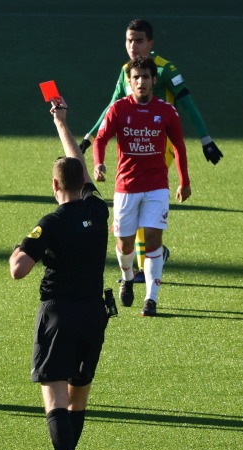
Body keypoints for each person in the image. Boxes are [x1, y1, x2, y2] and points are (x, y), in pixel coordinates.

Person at [9, 95, 110, 450]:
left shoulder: (49, 223)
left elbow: (18, 269)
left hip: (57, 317)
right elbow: (77, 166)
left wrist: (20, 249)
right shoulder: (98, 210)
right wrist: (63, 125)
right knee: (78, 397)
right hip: (94, 315)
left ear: (54, 187)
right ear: (81, 183)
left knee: (55, 399)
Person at [80, 19, 222, 282]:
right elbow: (112, 105)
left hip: (161, 145)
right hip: (132, 145)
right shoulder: (126, 70)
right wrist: (89, 137)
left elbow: (187, 103)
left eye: (139, 40)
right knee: (135, 204)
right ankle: (151, 261)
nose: (133, 46)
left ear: (151, 43)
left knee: (146, 200)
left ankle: (145, 271)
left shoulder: (166, 69)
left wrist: (206, 139)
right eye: (128, 40)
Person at [93, 55, 191, 317]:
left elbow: (179, 147)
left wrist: (184, 181)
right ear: (129, 81)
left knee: (153, 241)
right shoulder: (118, 110)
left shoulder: (167, 111)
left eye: (145, 77)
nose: (141, 82)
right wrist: (98, 163)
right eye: (136, 78)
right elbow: (100, 139)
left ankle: (151, 299)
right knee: (124, 245)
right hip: (126, 187)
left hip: (157, 186)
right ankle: (127, 277)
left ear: (153, 80)